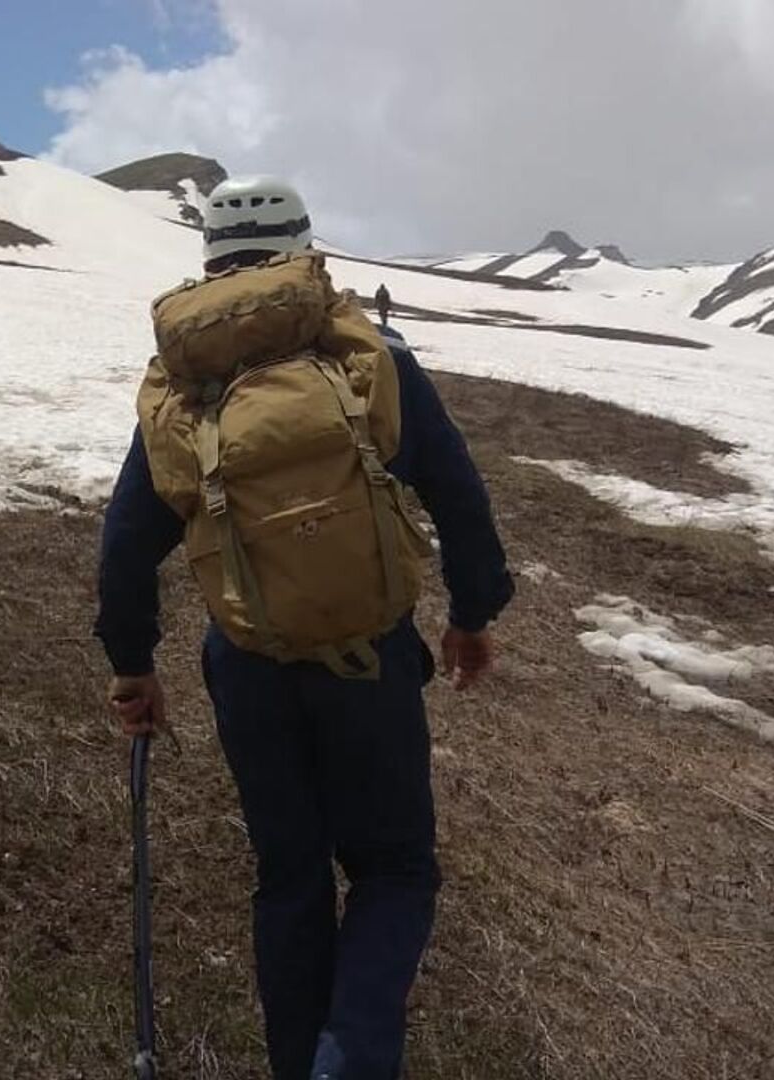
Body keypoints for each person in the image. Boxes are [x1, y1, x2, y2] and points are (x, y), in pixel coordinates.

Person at [94, 175, 514, 1080]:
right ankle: (351, 1060)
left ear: (208, 259)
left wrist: (134, 667)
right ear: (304, 248)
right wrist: (472, 615)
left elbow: (127, 546)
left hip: (249, 665)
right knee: (394, 871)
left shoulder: (180, 384)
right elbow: (459, 496)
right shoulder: (371, 354)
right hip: (372, 659)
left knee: (290, 879)